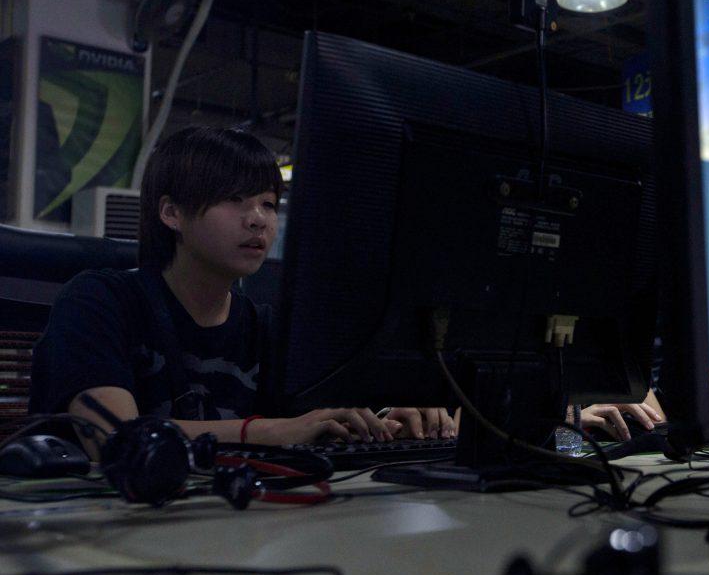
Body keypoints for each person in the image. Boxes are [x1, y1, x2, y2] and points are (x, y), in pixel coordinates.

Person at [30, 126, 454, 449]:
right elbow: (115, 439)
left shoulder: (265, 328)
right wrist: (262, 430)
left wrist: (383, 419)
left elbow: (309, 421)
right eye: (234, 199)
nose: (258, 220)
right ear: (172, 213)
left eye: (268, 203)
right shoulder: (99, 301)